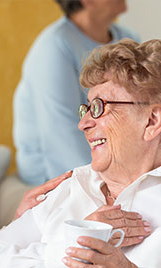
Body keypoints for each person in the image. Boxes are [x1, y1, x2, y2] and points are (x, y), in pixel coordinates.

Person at [0, 38, 161, 268]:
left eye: (100, 107)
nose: (84, 123)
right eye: (86, 108)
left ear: (151, 122)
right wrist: (71, 249)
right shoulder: (69, 190)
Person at [13, 0, 140, 185]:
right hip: (55, 179)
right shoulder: (54, 46)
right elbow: (62, 142)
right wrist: (110, 187)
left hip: (117, 169)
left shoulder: (128, 39)